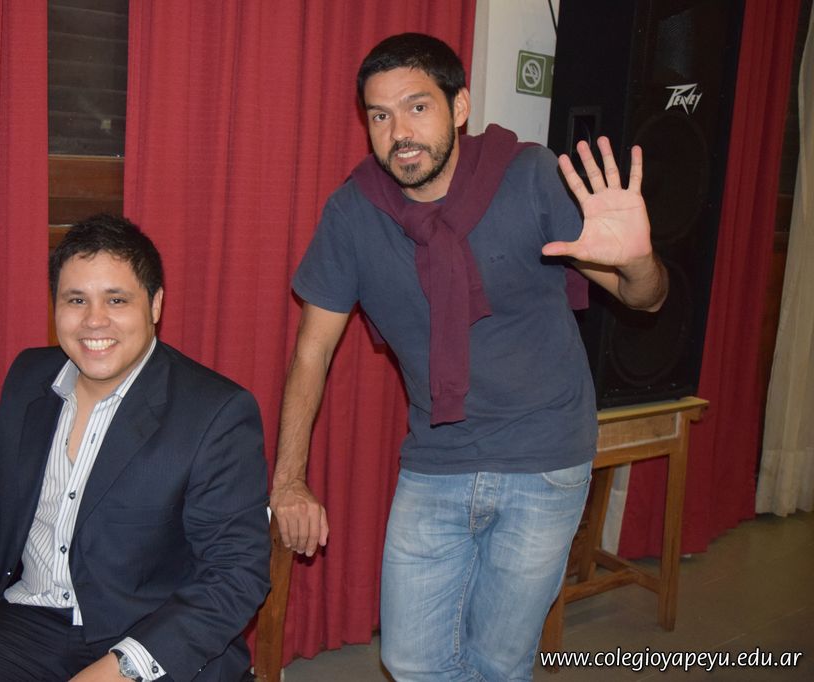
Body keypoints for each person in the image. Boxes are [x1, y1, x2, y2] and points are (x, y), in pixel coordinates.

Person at [269, 33, 667, 681]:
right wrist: (288, 479)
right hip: (438, 460)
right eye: (379, 115)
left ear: (458, 107)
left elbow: (643, 298)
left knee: (500, 662)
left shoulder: (529, 176)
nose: (399, 132)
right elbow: (311, 351)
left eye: (417, 106)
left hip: (546, 458)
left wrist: (640, 260)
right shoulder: (354, 213)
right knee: (408, 659)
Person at [0, 214, 270, 682]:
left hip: (153, 636)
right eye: (76, 300)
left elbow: (235, 572)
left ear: (155, 305)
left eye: (116, 300)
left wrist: (123, 668)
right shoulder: (28, 377)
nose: (94, 320)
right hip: (31, 622)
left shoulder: (215, 412)